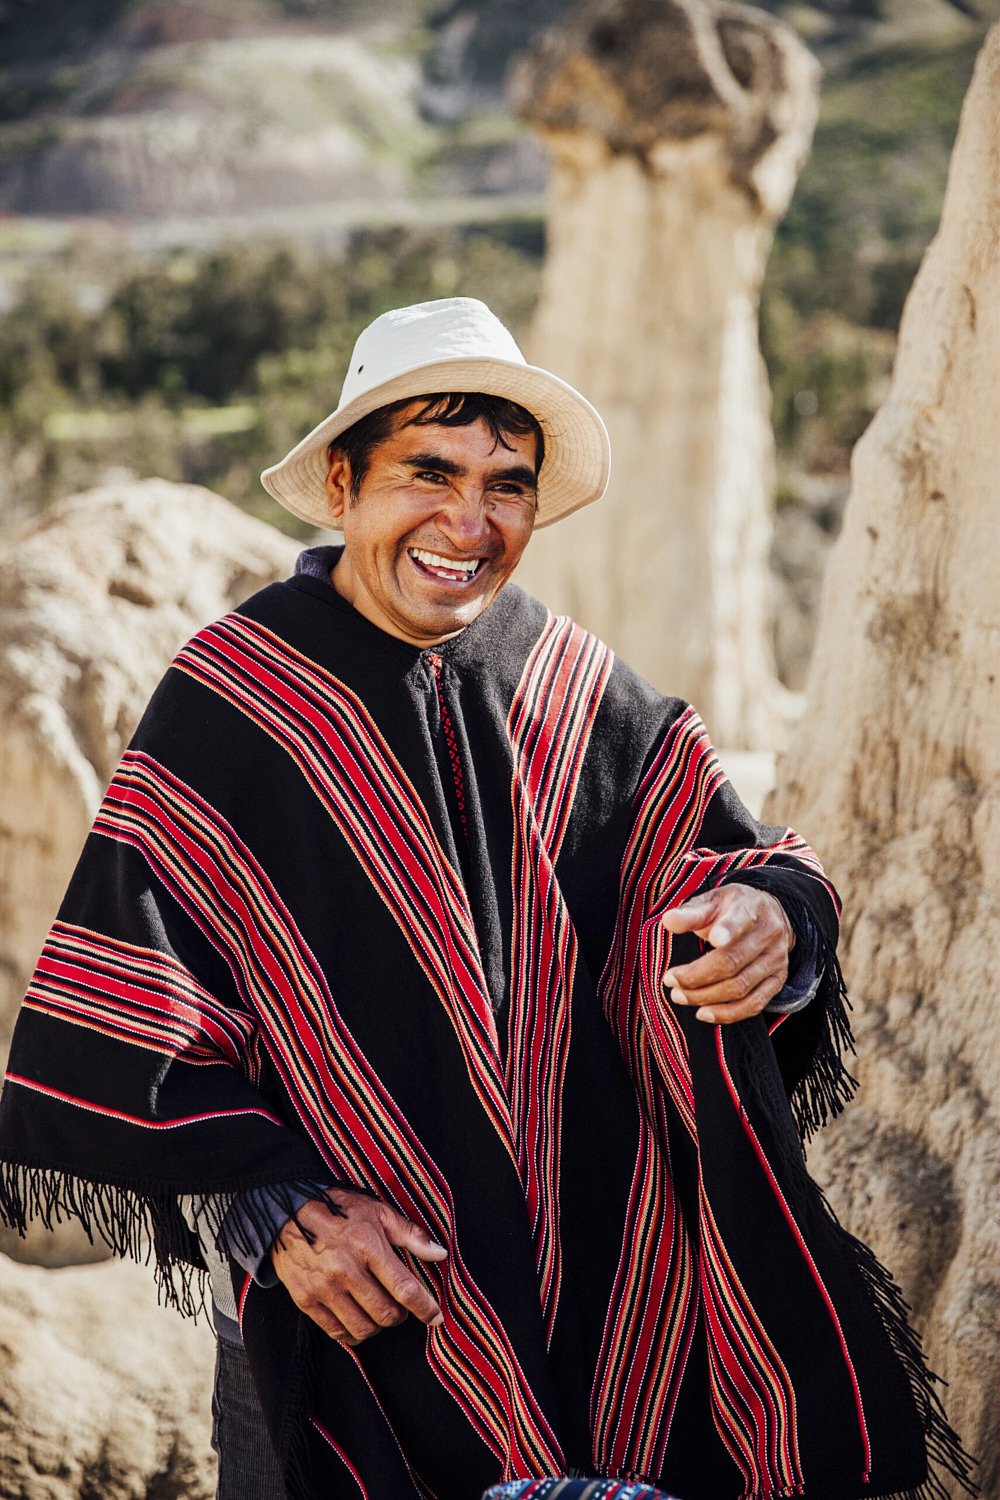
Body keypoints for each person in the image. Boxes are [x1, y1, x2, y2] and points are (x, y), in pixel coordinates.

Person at [0, 300, 969, 1500]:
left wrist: (773, 920)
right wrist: (279, 1211)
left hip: (599, 1315)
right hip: (342, 1325)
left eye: (508, 484)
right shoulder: (234, 701)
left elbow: (737, 861)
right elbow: (129, 1014)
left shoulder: (574, 687)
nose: (470, 520)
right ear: (344, 484)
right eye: (429, 472)